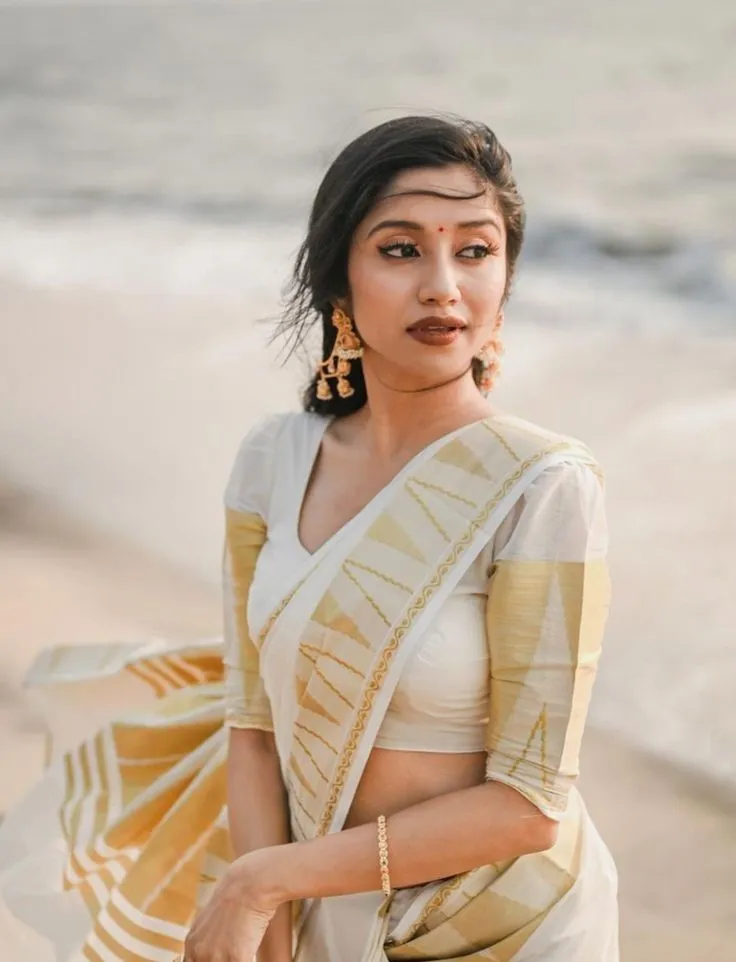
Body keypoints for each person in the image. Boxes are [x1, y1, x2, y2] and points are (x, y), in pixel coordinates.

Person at [0, 115, 618, 962]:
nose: (444, 285)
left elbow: (530, 804)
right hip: (313, 912)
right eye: (401, 249)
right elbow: (252, 722)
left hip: (496, 922)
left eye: (475, 250)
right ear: (338, 279)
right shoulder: (273, 463)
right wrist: (277, 921)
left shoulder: (543, 486)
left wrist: (265, 881)